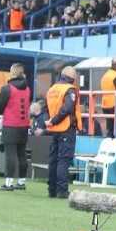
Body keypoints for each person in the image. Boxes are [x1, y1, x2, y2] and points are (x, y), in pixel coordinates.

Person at [0, 63, 31, 191]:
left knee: (10, 155)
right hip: (24, 125)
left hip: (11, 125)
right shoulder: (27, 88)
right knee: (22, 154)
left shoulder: (7, 89)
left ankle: (8, 183)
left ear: (13, 73)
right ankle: (21, 182)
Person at [46, 66, 82, 199]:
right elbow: (67, 108)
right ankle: (62, 190)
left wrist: (49, 121)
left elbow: (45, 108)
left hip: (54, 130)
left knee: (53, 159)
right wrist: (54, 120)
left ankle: (52, 190)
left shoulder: (52, 89)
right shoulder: (69, 89)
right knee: (64, 160)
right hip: (66, 128)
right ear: (74, 77)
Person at [98, 57, 116, 138]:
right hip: (115, 104)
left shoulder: (105, 75)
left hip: (105, 105)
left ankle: (108, 141)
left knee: (109, 127)